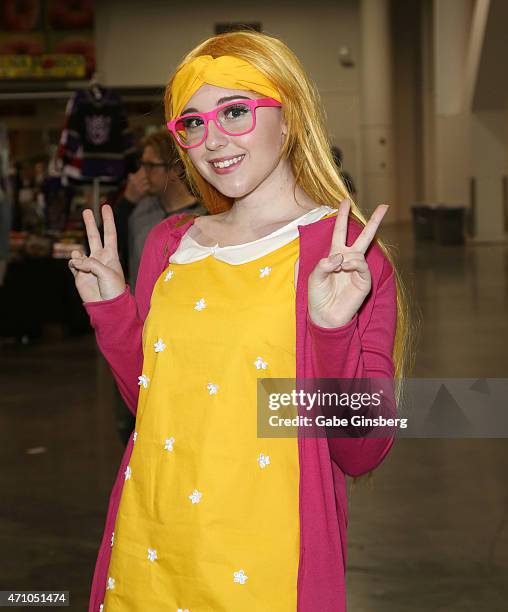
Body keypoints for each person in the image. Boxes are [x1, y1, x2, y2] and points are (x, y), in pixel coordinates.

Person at [69, 30, 411, 612]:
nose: (213, 140)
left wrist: (330, 329)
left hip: (267, 567)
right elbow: (151, 406)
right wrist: (114, 312)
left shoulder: (344, 254)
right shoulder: (170, 243)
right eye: (193, 123)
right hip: (151, 547)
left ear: (290, 118)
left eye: (236, 111)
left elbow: (363, 450)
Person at [113, 128, 206, 287]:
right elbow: (103, 246)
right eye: (142, 164)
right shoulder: (139, 209)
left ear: (175, 168)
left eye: (150, 166)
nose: (142, 173)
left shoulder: (202, 217)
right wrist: (127, 202)